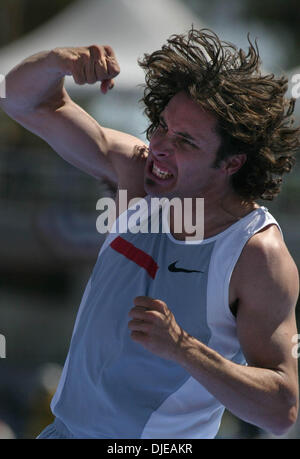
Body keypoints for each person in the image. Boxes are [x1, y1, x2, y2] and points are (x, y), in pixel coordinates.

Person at [1, 28, 299, 439]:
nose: (158, 145)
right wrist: (58, 62)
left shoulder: (255, 253)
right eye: (161, 126)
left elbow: (281, 409)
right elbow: (22, 101)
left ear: (232, 162)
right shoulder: (137, 176)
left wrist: (184, 348)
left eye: (184, 140)